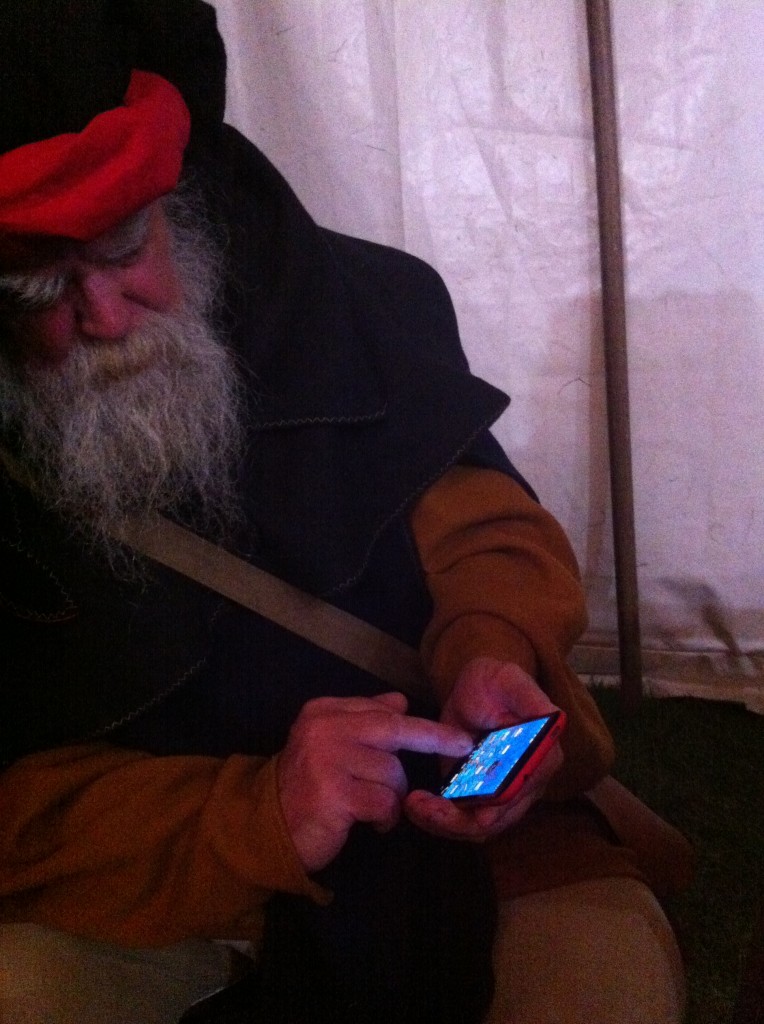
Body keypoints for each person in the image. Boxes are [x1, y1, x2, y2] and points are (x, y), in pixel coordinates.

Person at [0, 2, 686, 1022]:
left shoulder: (356, 296)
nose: (103, 318)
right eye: (33, 288)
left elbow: (486, 531)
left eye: (119, 244)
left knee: (601, 985)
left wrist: (492, 649)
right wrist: (253, 812)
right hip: (177, 862)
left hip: (473, 829)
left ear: (174, 200)